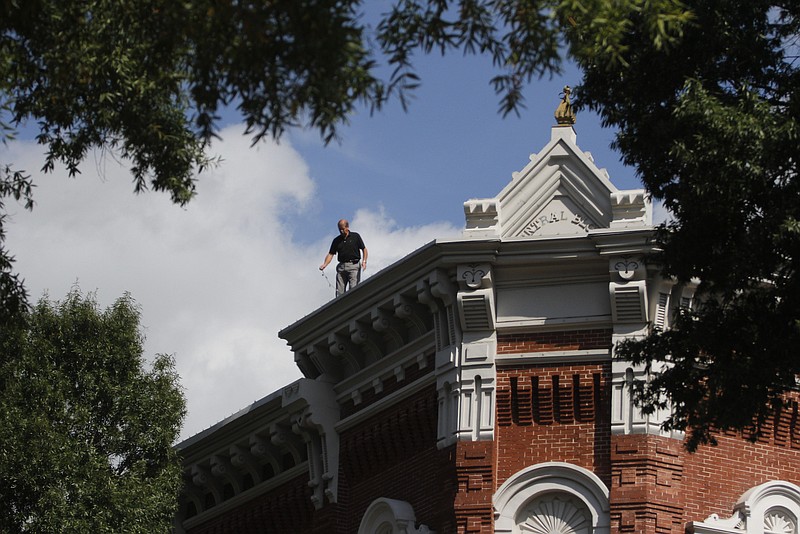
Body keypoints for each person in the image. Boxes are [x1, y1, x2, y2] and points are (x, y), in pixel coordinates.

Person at [319, 219, 368, 296]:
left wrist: (364, 262)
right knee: (339, 292)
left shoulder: (355, 236)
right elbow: (331, 254)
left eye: (343, 229)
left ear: (347, 227)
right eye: (340, 229)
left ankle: (353, 305)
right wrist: (325, 264)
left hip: (353, 266)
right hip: (341, 267)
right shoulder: (336, 240)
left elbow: (364, 249)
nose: (341, 231)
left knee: (353, 289)